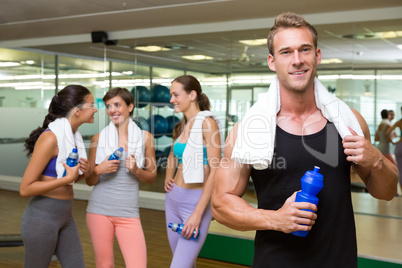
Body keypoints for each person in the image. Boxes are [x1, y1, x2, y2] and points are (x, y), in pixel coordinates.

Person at [211, 12, 398, 268]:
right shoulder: (248, 131)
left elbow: (386, 193)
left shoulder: (348, 123)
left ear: (317, 56)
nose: (297, 60)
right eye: (286, 52)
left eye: (305, 49)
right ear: (271, 61)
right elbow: (221, 204)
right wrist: (276, 219)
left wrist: (377, 160)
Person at [20, 85, 97, 268]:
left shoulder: (72, 138)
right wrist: (65, 178)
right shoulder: (50, 138)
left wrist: (83, 173)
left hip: (65, 216)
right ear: (77, 111)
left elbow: (68, 179)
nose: (95, 109)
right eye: (92, 104)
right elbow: (25, 188)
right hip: (42, 218)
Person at [85, 87, 156, 268]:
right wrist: (99, 170)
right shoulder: (97, 139)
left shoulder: (145, 138)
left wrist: (137, 171)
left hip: (128, 213)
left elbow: (152, 177)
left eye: (117, 105)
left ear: (130, 106)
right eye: (109, 106)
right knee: (105, 265)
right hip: (99, 211)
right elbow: (89, 181)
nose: (113, 110)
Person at [164, 75, 222, 268]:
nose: (172, 100)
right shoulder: (182, 124)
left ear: (192, 95)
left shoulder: (207, 124)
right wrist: (167, 177)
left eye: (175, 94)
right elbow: (173, 153)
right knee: (185, 264)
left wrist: (198, 214)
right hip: (173, 200)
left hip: (195, 203)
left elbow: (215, 171)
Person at [387, 106, 402, 192]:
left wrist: (394, 141)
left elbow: (387, 132)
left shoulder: (399, 122)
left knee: (400, 169)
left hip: (400, 147)